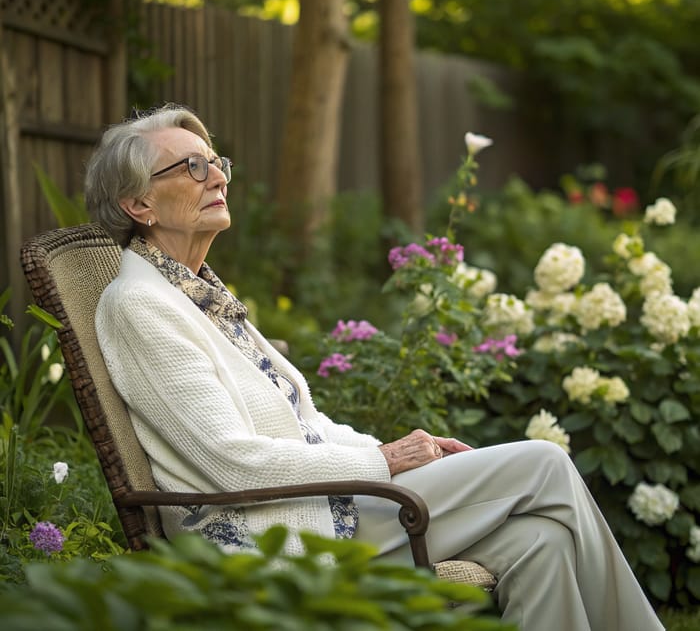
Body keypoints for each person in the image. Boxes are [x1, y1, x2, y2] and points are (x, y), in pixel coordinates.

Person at [85, 104, 664, 631]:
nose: (217, 177)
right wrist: (381, 462)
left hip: (321, 504)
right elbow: (229, 462)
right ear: (138, 204)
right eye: (191, 167)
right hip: (276, 538)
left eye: (216, 162)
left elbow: (301, 422)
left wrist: (397, 449)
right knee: (543, 462)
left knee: (541, 541)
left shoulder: (195, 292)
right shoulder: (141, 304)